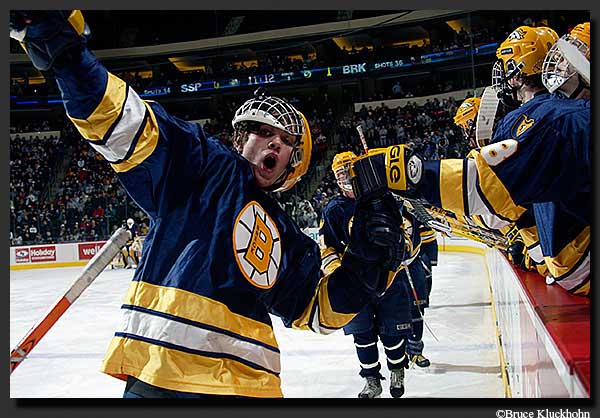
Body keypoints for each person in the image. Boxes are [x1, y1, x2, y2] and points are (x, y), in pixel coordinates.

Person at [10, 10, 407, 397]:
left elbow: (317, 310)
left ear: (294, 163)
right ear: (240, 140)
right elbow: (130, 124)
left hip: (252, 386)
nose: (274, 143)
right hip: (164, 378)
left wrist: (369, 264)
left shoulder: (288, 236)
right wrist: (70, 59)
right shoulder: (202, 166)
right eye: (264, 132)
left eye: (286, 142)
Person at [348, 25, 590, 296]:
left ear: (519, 66)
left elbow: (489, 194)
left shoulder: (555, 117)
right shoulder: (567, 114)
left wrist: (412, 173)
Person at [319, 151, 414, 398]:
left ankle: (397, 369)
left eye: (348, 172)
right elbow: (326, 245)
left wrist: (401, 249)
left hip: (389, 278)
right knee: (362, 335)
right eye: (340, 174)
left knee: (393, 332)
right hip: (355, 283)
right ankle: (372, 380)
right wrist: (336, 271)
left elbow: (409, 231)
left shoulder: (384, 198)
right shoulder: (334, 209)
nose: (346, 179)